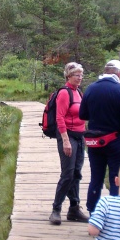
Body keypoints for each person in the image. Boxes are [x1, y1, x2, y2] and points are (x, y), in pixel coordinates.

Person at [79, 59, 120, 214]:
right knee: (116, 178)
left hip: (95, 143)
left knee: (96, 179)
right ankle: (114, 216)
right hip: (116, 142)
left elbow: (83, 114)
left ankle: (93, 214)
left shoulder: (90, 89)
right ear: (119, 73)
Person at [49, 62, 89, 225]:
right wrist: (65, 141)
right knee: (67, 174)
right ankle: (56, 210)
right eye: (76, 75)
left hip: (80, 137)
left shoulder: (78, 92)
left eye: (81, 75)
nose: (80, 78)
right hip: (68, 136)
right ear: (68, 76)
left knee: (77, 174)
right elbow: (60, 118)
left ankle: (74, 209)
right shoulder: (65, 93)